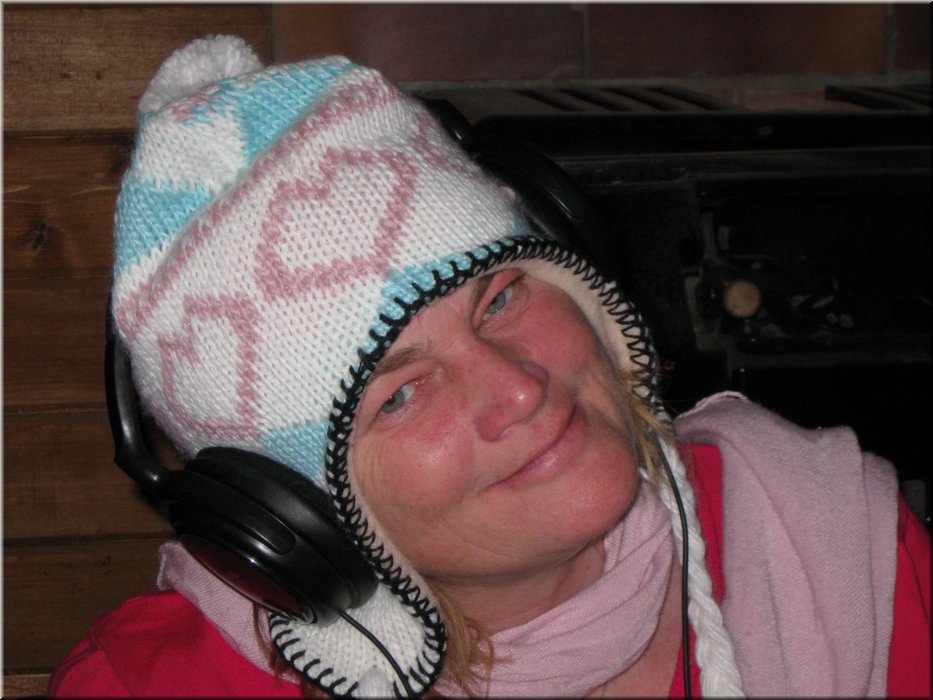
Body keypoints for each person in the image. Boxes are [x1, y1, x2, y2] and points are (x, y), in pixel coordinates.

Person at [49, 36, 930, 698]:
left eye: (500, 299)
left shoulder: (833, 541)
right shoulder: (151, 686)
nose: (519, 387)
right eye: (401, 394)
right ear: (298, 515)